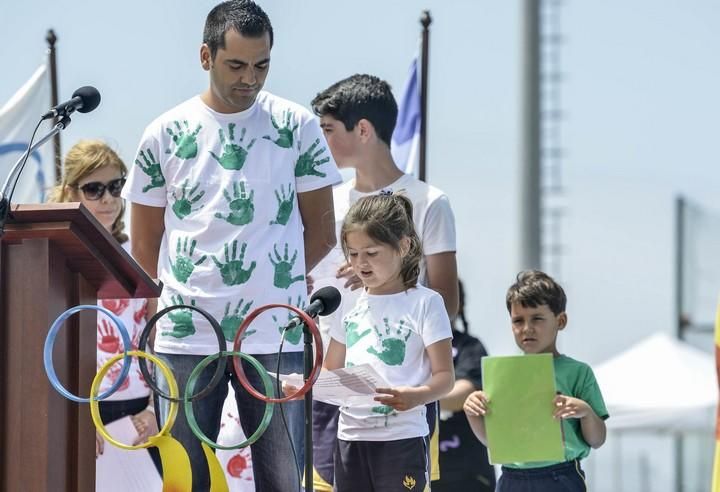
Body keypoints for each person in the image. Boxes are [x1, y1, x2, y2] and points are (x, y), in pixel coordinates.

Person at [121, 1, 341, 490]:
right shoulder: (163, 131)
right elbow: (143, 242)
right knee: (185, 480)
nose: (251, 78)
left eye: (262, 65)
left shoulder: (297, 125)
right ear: (206, 56)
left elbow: (323, 230)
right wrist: (161, 312)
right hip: (184, 331)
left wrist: (277, 280)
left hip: (275, 333)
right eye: (236, 65)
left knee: (285, 481)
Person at [308, 73, 458, 490]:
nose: (321, 143)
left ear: (363, 130)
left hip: (402, 397)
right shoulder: (330, 200)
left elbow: (446, 299)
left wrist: (386, 288)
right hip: (335, 383)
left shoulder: (429, 201)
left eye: (328, 130)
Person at [289, 193, 454, 492]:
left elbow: (445, 378)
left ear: (403, 246)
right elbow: (332, 375)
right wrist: (305, 389)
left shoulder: (426, 303)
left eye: (371, 253)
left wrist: (416, 396)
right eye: (352, 253)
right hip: (349, 439)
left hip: (402, 439)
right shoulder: (348, 305)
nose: (360, 262)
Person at [47, 140, 161, 474]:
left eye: (115, 186)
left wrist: (157, 410)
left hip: (141, 412)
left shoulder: (141, 255)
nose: (108, 199)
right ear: (72, 193)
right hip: (82, 410)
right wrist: (79, 418)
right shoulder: (55, 256)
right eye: (94, 189)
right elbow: (51, 350)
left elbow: (160, 340)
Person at [463, 270, 609, 491]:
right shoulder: (504, 375)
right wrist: (473, 414)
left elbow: (597, 439)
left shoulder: (578, 372)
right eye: (518, 320)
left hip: (561, 476)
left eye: (537, 318)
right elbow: (495, 442)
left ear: (561, 321)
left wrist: (586, 412)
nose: (526, 328)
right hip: (511, 478)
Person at [435, 280, 495, 492]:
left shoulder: (470, 346)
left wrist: (415, 398)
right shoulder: (410, 350)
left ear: (457, 304)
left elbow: (464, 394)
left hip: (468, 476)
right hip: (421, 474)